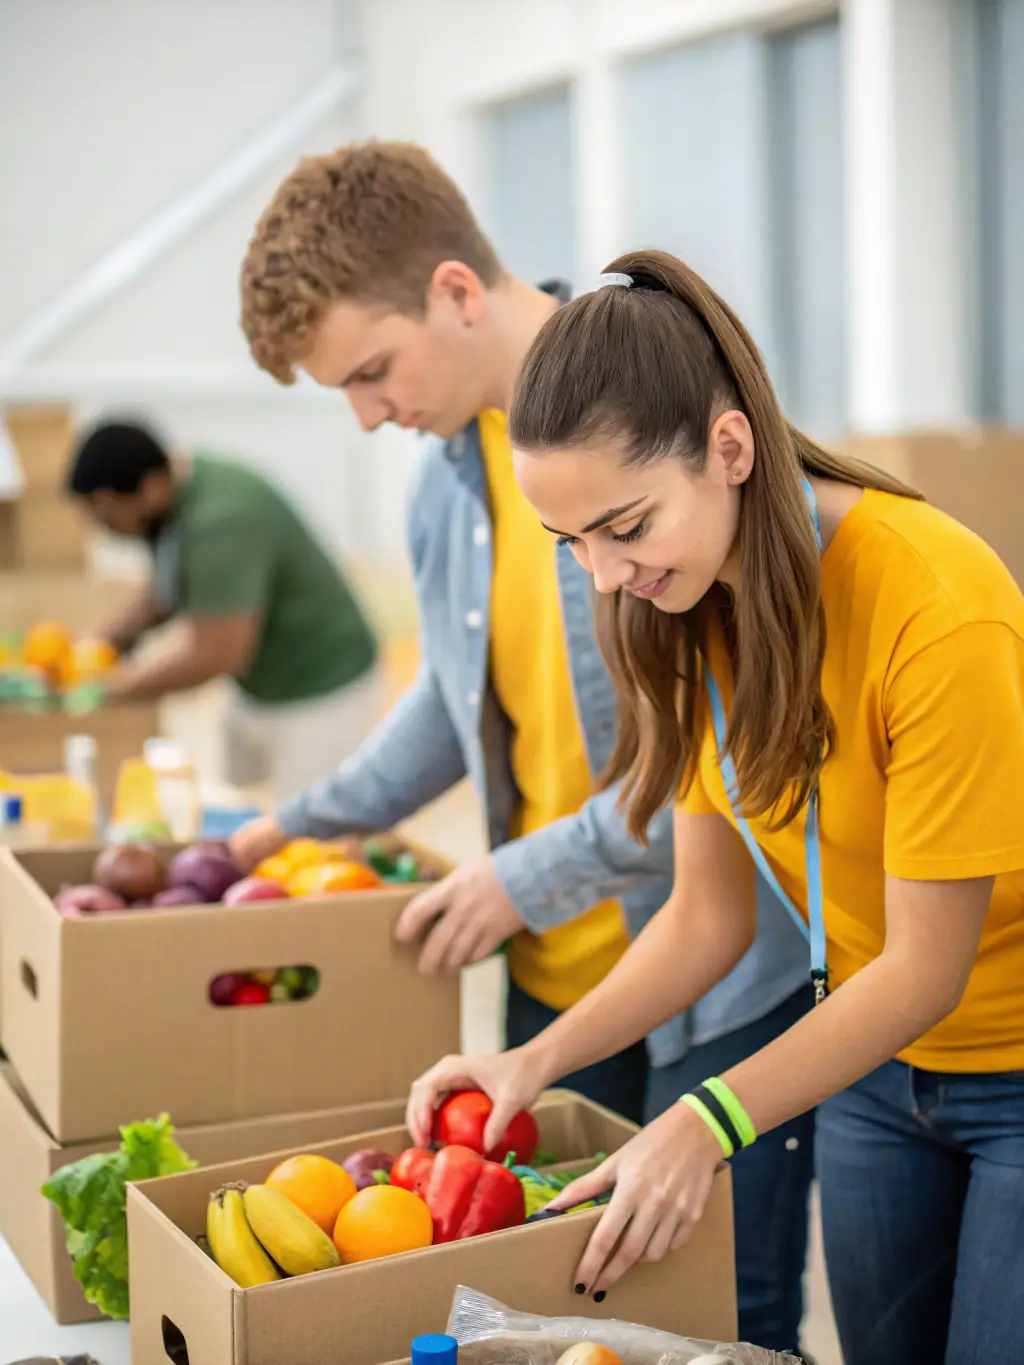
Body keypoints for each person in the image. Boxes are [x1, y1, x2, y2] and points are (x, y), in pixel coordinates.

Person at [231, 144, 814, 1352]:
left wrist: (517, 874)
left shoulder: (658, 443)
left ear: (454, 290)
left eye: (372, 372)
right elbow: (456, 704)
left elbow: (730, 752)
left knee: (716, 1326)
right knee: (549, 1325)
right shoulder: (446, 489)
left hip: (716, 986)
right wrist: (294, 825)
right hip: (560, 982)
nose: (369, 414)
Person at [408, 249, 1024, 1365]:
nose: (601, 575)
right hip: (875, 1071)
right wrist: (527, 1064)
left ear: (729, 448)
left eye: (625, 527)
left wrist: (710, 1118)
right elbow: (707, 918)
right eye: (573, 543)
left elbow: (929, 965)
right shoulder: (691, 610)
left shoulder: (936, 602)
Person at [65, 420, 380, 801]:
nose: (108, 529)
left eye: (109, 515)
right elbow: (165, 590)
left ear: (149, 488)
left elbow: (215, 654)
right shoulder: (176, 499)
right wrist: (101, 643)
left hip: (320, 689)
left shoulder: (221, 522)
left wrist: (116, 689)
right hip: (258, 685)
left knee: (308, 830)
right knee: (233, 812)